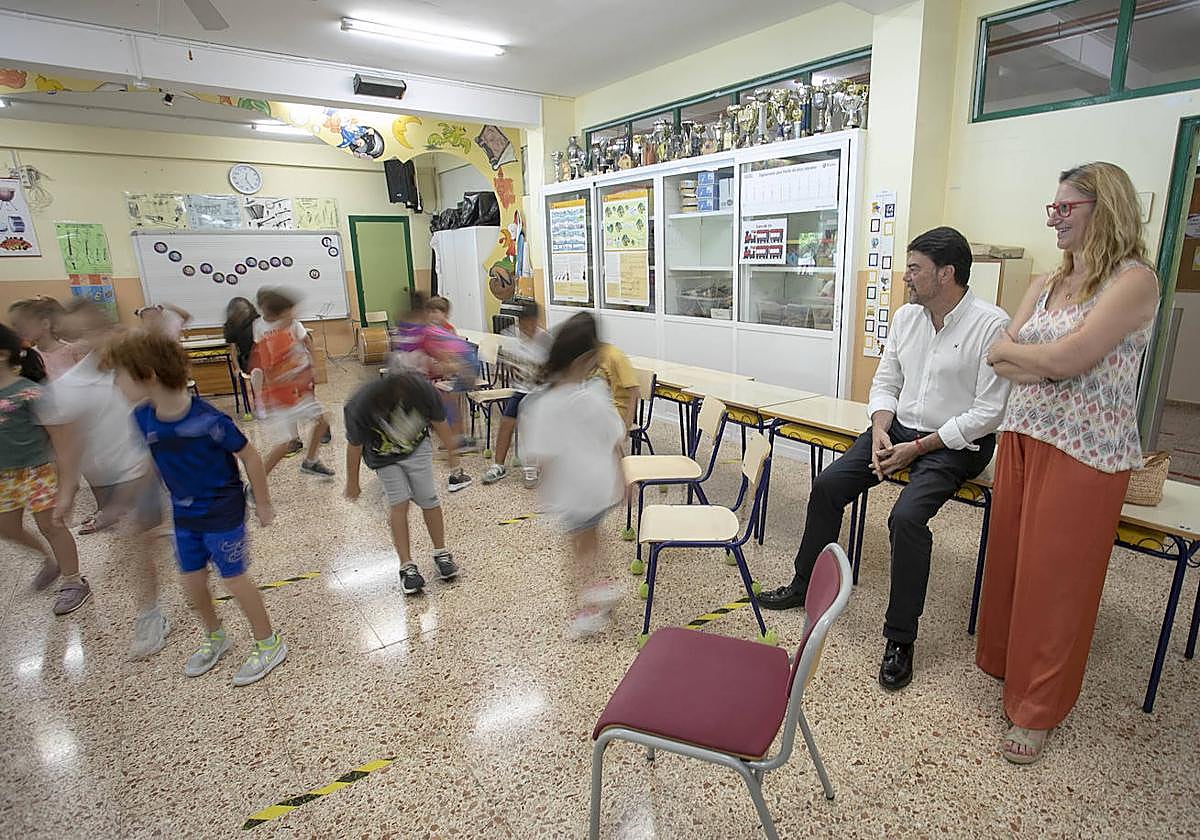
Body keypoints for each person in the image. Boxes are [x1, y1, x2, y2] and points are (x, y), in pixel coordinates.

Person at [757, 227, 1011, 691]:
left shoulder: (991, 325)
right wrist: (878, 427)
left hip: (955, 442)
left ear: (946, 273)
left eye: (914, 269)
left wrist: (918, 448)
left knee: (906, 518)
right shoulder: (908, 317)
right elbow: (886, 380)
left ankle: (900, 639)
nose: (905, 278)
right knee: (829, 485)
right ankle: (802, 584)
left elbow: (988, 412)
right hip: (896, 428)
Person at [977, 163, 1159, 764]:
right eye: (1051, 208)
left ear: (1101, 209)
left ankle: (1038, 710)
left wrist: (1037, 358)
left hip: (1088, 450)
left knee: (1057, 583)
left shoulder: (1133, 282)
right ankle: (1009, 670)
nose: (1052, 217)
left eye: (1065, 208)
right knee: (1012, 563)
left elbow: (1074, 355)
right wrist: (1040, 360)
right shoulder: (1045, 279)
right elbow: (998, 353)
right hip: (1025, 433)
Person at [103, 330, 288, 686]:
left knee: (234, 578)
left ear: (148, 375)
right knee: (192, 583)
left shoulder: (209, 421)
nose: (116, 385)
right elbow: (151, 464)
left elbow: (249, 455)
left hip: (222, 510)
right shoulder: (142, 418)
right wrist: (123, 503)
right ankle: (216, 635)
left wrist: (262, 502)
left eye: (119, 375)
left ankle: (268, 642)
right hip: (184, 514)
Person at [40, 298, 171, 657]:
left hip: (146, 468)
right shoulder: (69, 386)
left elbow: (166, 413)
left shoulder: (138, 369)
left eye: (96, 331)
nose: (90, 341)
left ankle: (158, 603)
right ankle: (151, 611)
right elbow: (68, 445)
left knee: (141, 537)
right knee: (134, 542)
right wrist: (66, 492)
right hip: (109, 478)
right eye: (79, 334)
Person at [520, 313, 626, 637]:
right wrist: (622, 477)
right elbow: (615, 435)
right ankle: (604, 585)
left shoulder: (543, 403)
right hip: (601, 487)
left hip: (575, 492)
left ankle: (587, 608)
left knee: (577, 551)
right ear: (585, 360)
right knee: (592, 534)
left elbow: (539, 457)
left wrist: (545, 488)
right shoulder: (595, 392)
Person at [343, 370, 470, 595]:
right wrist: (352, 482)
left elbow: (439, 422)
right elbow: (354, 447)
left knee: (427, 497)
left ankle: (441, 553)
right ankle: (407, 566)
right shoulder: (359, 406)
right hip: (383, 457)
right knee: (399, 502)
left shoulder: (423, 391)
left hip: (416, 448)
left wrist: (452, 453)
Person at [0, 324, 82, 612]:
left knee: (50, 525)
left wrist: (67, 484)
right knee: (6, 527)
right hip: (5, 474)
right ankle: (50, 560)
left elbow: (62, 439)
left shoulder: (30, 393)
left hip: (37, 469)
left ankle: (74, 580)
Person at [250, 288, 335, 479]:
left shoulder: (286, 334)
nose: (294, 315)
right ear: (279, 315)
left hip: (297, 394)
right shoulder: (272, 340)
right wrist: (294, 374)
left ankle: (310, 461)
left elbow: (297, 359)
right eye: (290, 312)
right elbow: (270, 373)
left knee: (322, 420)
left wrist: (307, 371)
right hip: (283, 399)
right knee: (284, 445)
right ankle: (256, 484)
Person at [483, 300, 552, 486]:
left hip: (541, 393)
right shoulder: (509, 337)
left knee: (531, 425)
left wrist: (540, 376)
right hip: (521, 390)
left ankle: (532, 469)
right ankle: (498, 465)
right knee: (507, 422)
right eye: (523, 324)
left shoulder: (546, 341)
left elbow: (553, 372)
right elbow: (506, 364)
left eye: (531, 324)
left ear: (537, 321)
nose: (527, 328)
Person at [8, 296, 86, 381]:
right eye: (15, 325)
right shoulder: (29, 356)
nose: (17, 330)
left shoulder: (74, 351)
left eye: (23, 324)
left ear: (45, 324)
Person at [223, 296, 260, 420]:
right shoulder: (230, 326)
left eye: (245, 309)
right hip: (248, 359)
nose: (244, 312)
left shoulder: (257, 320)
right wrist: (237, 368)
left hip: (263, 355)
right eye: (240, 310)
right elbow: (233, 350)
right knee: (257, 372)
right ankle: (260, 403)